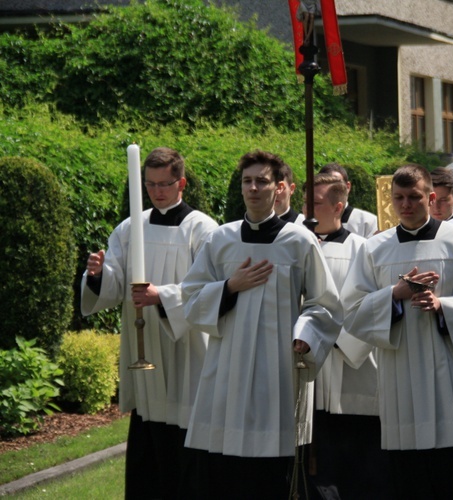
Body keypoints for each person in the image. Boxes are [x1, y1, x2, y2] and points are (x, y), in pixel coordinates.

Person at [180, 150, 342, 497]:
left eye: (262, 181)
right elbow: (190, 299)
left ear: (279, 187)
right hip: (228, 366)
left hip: (278, 366)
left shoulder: (298, 241)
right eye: (247, 181)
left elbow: (324, 303)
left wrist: (306, 335)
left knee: (271, 470)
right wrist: (229, 287)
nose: (253, 188)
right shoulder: (221, 239)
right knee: (226, 467)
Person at [341, 164, 453, 499]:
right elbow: (352, 313)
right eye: (398, 198)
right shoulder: (375, 249)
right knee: (411, 478)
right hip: (401, 378)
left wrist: (444, 306)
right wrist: (394, 295)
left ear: (431, 198)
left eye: (414, 197)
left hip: (452, 378)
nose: (406, 205)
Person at [81, 147, 218, 499]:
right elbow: (114, 282)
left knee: (184, 449)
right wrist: (97, 275)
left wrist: (164, 297)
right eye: (151, 184)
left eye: (165, 184)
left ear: (181, 183)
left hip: (186, 349)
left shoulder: (202, 229)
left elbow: (209, 290)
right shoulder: (130, 228)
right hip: (144, 349)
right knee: (148, 439)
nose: (157, 191)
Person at [303, 173, 391, 499]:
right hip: (305, 373)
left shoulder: (363, 250)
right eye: (305, 202)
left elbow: (373, 307)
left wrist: (337, 342)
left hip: (352, 373)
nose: (307, 210)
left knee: (357, 470)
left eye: (315, 203)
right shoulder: (294, 245)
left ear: (338, 206)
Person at [319, 163, 379, 237]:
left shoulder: (368, 222)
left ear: (348, 187)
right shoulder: (308, 222)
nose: (331, 190)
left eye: (336, 184)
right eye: (325, 185)